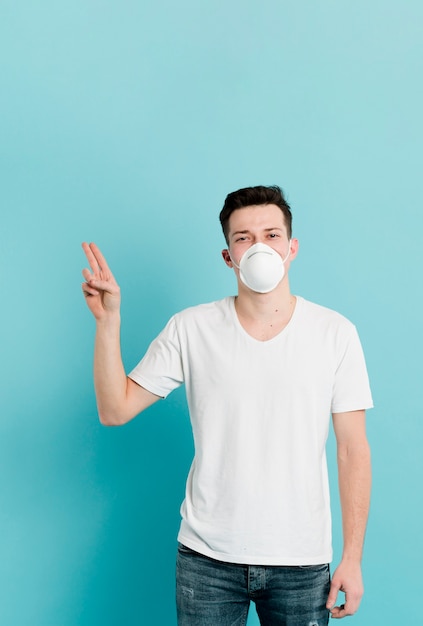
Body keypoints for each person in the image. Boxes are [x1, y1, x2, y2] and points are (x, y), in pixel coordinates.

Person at [81, 185, 373, 626]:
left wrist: (352, 558)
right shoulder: (191, 329)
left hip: (302, 560)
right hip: (207, 560)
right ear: (228, 256)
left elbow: (353, 450)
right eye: (243, 237)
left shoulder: (335, 333)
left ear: (291, 248)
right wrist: (108, 322)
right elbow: (115, 409)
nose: (259, 246)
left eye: (272, 235)